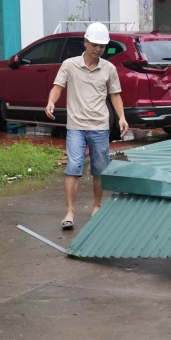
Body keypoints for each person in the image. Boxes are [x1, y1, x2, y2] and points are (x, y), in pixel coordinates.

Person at [45, 22, 129, 230]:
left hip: (100, 126)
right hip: (75, 126)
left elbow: (115, 95)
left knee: (99, 169)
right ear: (85, 42)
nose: (99, 49)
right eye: (95, 44)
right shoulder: (70, 65)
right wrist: (51, 102)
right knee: (73, 167)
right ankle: (70, 212)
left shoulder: (109, 69)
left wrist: (122, 117)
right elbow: (58, 86)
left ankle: (97, 206)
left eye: (102, 46)